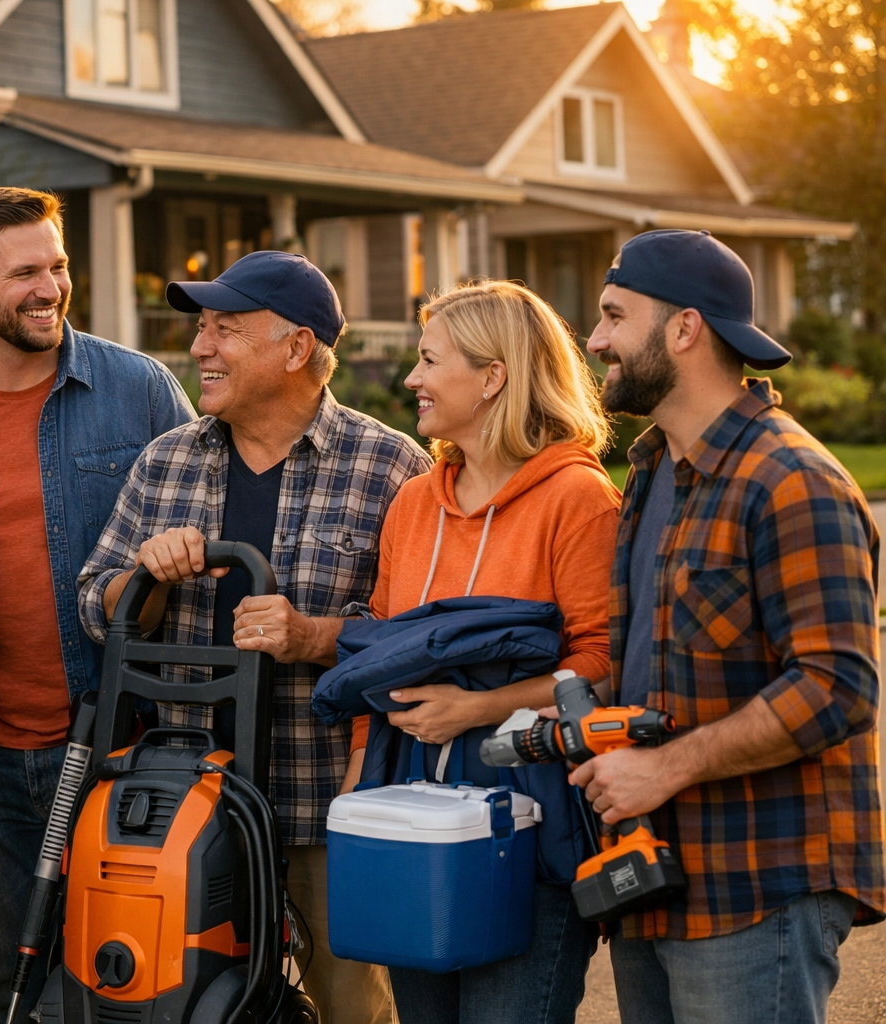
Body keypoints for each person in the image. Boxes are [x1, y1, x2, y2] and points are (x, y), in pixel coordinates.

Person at [76, 250, 429, 1024]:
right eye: (201, 328)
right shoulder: (166, 461)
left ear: (297, 349)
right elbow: (96, 609)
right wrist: (145, 580)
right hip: (188, 808)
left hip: (326, 811)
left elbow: (425, 637)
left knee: (355, 1010)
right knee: (184, 1007)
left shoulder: (390, 466)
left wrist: (314, 636)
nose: (199, 348)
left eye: (224, 329)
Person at [0, 186, 194, 1022]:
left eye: (57, 266)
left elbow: (201, 534)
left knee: (127, 988)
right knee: (3, 990)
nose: (50, 287)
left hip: (114, 742)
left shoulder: (141, 390)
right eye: (24, 272)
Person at [580, 229, 884, 1024]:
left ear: (684, 329)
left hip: (757, 881)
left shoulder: (792, 481)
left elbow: (837, 687)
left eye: (614, 316)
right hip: (652, 875)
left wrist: (667, 768)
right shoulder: (650, 470)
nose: (595, 339)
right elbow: (661, 658)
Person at [337, 280, 619, 1023]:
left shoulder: (577, 499)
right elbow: (380, 660)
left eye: (430, 361)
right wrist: (357, 788)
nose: (412, 380)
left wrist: (479, 708)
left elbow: (602, 660)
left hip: (529, 837)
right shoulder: (412, 503)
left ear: (493, 376)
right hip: (415, 826)